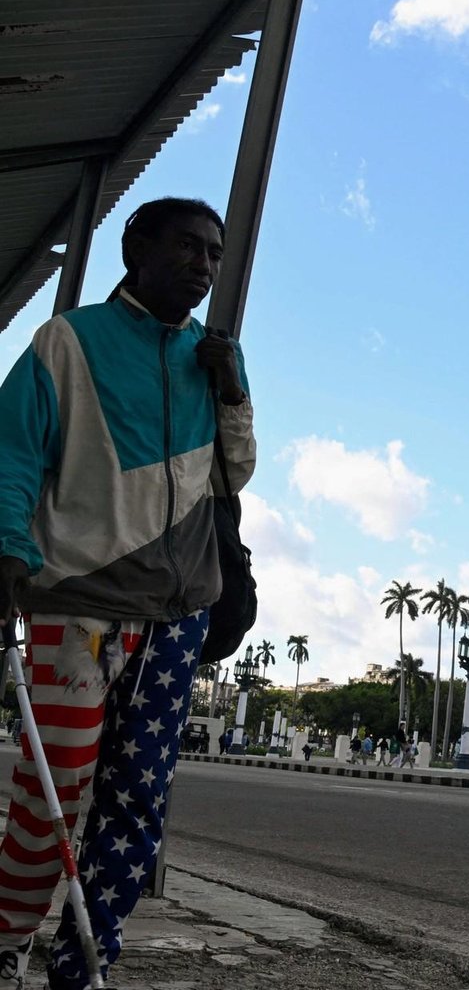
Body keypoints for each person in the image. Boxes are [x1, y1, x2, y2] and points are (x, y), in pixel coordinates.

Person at [0, 197, 254, 990]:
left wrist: (234, 395)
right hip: (78, 605)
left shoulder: (208, 357)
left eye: (214, 254)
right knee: (54, 788)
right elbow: (12, 453)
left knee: (140, 797)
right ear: (134, 247)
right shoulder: (67, 342)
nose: (205, 267)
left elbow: (232, 477)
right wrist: (8, 548)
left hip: (178, 615)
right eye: (188, 247)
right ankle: (8, 936)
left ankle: (85, 957)